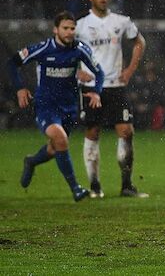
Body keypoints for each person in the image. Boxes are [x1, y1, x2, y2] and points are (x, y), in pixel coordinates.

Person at [7, 11, 104, 201]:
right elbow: (12, 63)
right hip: (46, 105)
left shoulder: (80, 49)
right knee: (61, 140)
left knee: (55, 148)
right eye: (65, 28)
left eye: (72, 29)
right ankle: (76, 189)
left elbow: (99, 73)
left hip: (69, 107)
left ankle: (31, 161)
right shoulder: (43, 48)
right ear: (55, 30)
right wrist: (20, 88)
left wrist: (96, 91)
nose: (69, 32)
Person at [75, 0, 148, 198]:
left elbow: (139, 42)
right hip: (91, 87)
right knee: (93, 131)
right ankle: (95, 186)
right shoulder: (80, 26)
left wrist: (129, 70)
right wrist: (76, 71)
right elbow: (64, 51)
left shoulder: (121, 21)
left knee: (126, 131)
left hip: (116, 85)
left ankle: (126, 186)